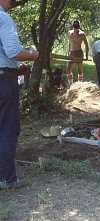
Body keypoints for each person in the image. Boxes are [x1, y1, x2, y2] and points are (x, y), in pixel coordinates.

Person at [0, 0, 39, 190]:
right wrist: (32, 54)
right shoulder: (3, 18)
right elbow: (14, 51)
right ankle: (7, 178)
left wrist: (15, 69)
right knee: (7, 128)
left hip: (6, 74)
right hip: (3, 82)